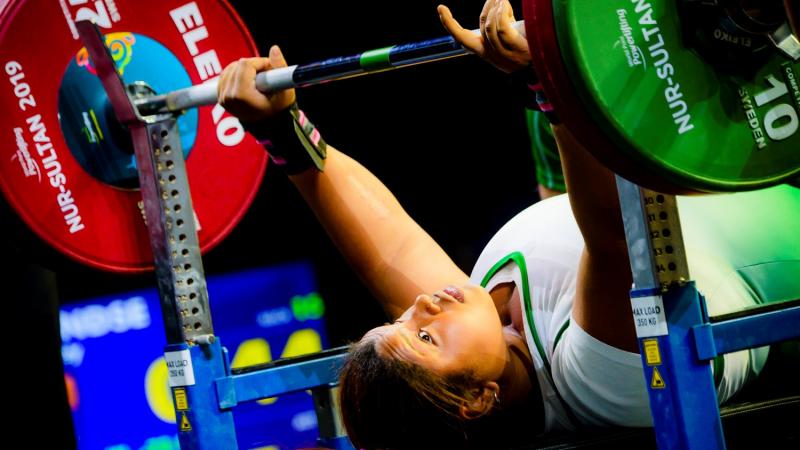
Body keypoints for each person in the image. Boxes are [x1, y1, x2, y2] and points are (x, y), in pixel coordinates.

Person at [217, 1, 800, 448]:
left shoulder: (476, 328)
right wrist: (547, 79)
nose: (420, 305)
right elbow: (615, 230)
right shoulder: (603, 386)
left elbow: (388, 240)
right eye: (423, 336)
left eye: (398, 319)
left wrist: (282, 131)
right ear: (475, 401)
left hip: (725, 150)